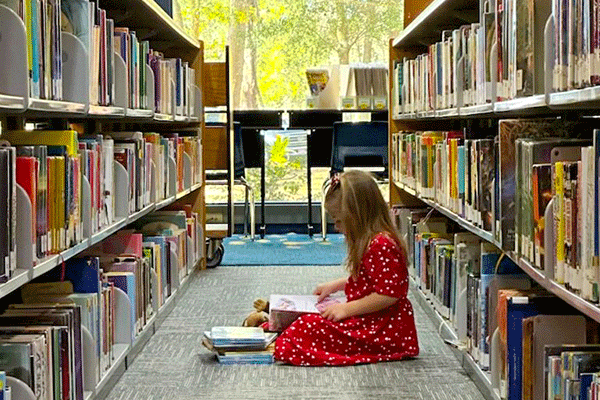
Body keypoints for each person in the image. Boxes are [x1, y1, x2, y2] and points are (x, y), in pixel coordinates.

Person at [273, 170, 419, 366]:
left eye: (339, 220)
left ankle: (286, 336)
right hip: (373, 320)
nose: (336, 227)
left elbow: (389, 294)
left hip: (382, 328)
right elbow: (371, 282)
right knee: (309, 320)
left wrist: (346, 309)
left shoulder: (381, 245)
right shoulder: (372, 241)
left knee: (307, 327)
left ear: (358, 215)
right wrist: (337, 285)